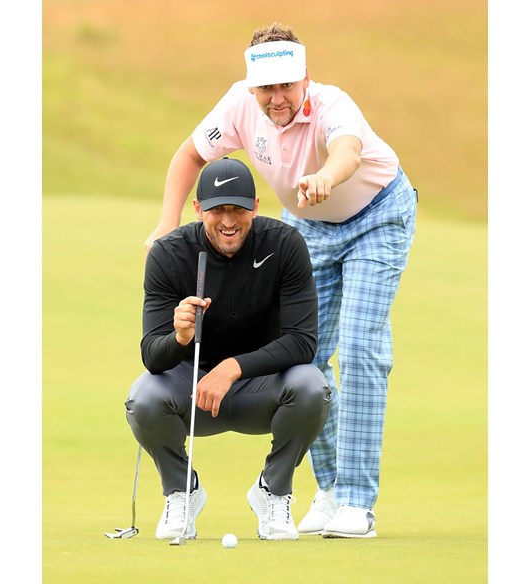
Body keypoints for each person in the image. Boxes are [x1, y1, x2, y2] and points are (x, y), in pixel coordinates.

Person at [144, 23, 417, 539]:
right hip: (308, 229)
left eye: (286, 87)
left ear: (304, 79)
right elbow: (190, 155)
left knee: (360, 348)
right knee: (304, 357)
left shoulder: (334, 105)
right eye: (265, 88)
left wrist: (326, 177)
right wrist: (165, 222)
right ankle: (330, 490)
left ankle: (357, 503)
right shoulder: (239, 106)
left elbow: (349, 152)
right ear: (252, 87)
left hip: (376, 216)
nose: (276, 99)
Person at [126, 157, 331, 541]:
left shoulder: (285, 245)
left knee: (311, 386)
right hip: (192, 390)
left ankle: (273, 490)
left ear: (255, 206)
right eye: (218, 209)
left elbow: (303, 341)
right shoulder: (169, 254)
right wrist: (180, 338)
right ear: (198, 208)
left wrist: (232, 368)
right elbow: (152, 356)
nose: (228, 221)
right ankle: (180, 491)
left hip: (263, 387)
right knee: (143, 396)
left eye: (237, 208)